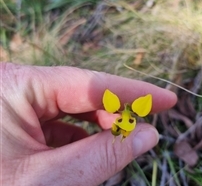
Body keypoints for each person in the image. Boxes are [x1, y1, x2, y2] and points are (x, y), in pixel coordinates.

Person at [1, 63, 177, 186]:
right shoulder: (119, 108)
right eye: (125, 116)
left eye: (127, 116)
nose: (125, 117)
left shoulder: (133, 109)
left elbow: (136, 110)